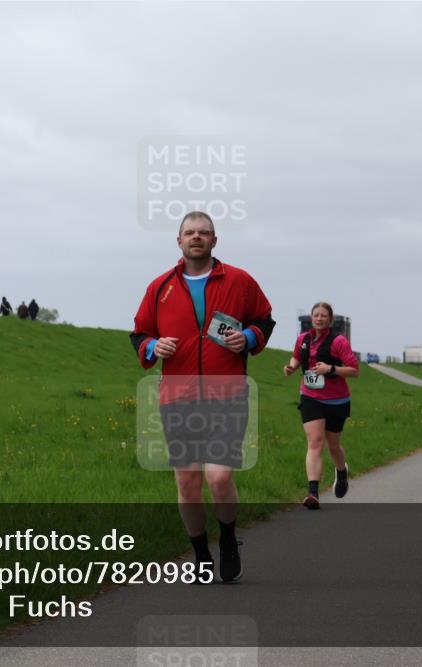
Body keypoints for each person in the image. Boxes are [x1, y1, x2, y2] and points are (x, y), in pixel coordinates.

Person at [131, 211, 275, 583]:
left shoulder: (240, 281)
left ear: (215, 240)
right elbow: (140, 332)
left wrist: (250, 337)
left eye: (204, 232)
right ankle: (200, 555)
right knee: (187, 482)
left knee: (219, 477)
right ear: (179, 240)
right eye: (190, 232)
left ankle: (227, 538)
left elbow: (264, 319)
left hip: (227, 394)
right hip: (177, 398)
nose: (197, 237)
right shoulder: (159, 287)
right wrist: (153, 346)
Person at [283, 303, 359, 509]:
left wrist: (330, 369)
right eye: (316, 315)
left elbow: (354, 370)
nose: (319, 319)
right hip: (310, 396)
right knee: (315, 442)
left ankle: (341, 472)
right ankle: (313, 493)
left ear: (330, 320)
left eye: (323, 316)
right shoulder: (303, 339)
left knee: (333, 446)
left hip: (337, 400)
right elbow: (297, 357)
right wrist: (291, 367)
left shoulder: (339, 341)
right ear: (311, 317)